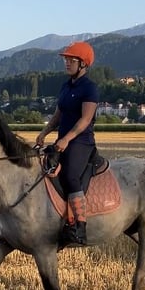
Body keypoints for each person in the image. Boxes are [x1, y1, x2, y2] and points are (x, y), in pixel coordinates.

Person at [35, 41, 98, 245]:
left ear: (83, 64)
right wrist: (44, 132)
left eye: (71, 59)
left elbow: (85, 119)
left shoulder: (89, 88)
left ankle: (80, 227)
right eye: (66, 59)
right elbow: (58, 115)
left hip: (81, 143)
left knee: (70, 175)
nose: (67, 63)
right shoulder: (65, 87)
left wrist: (66, 139)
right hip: (63, 140)